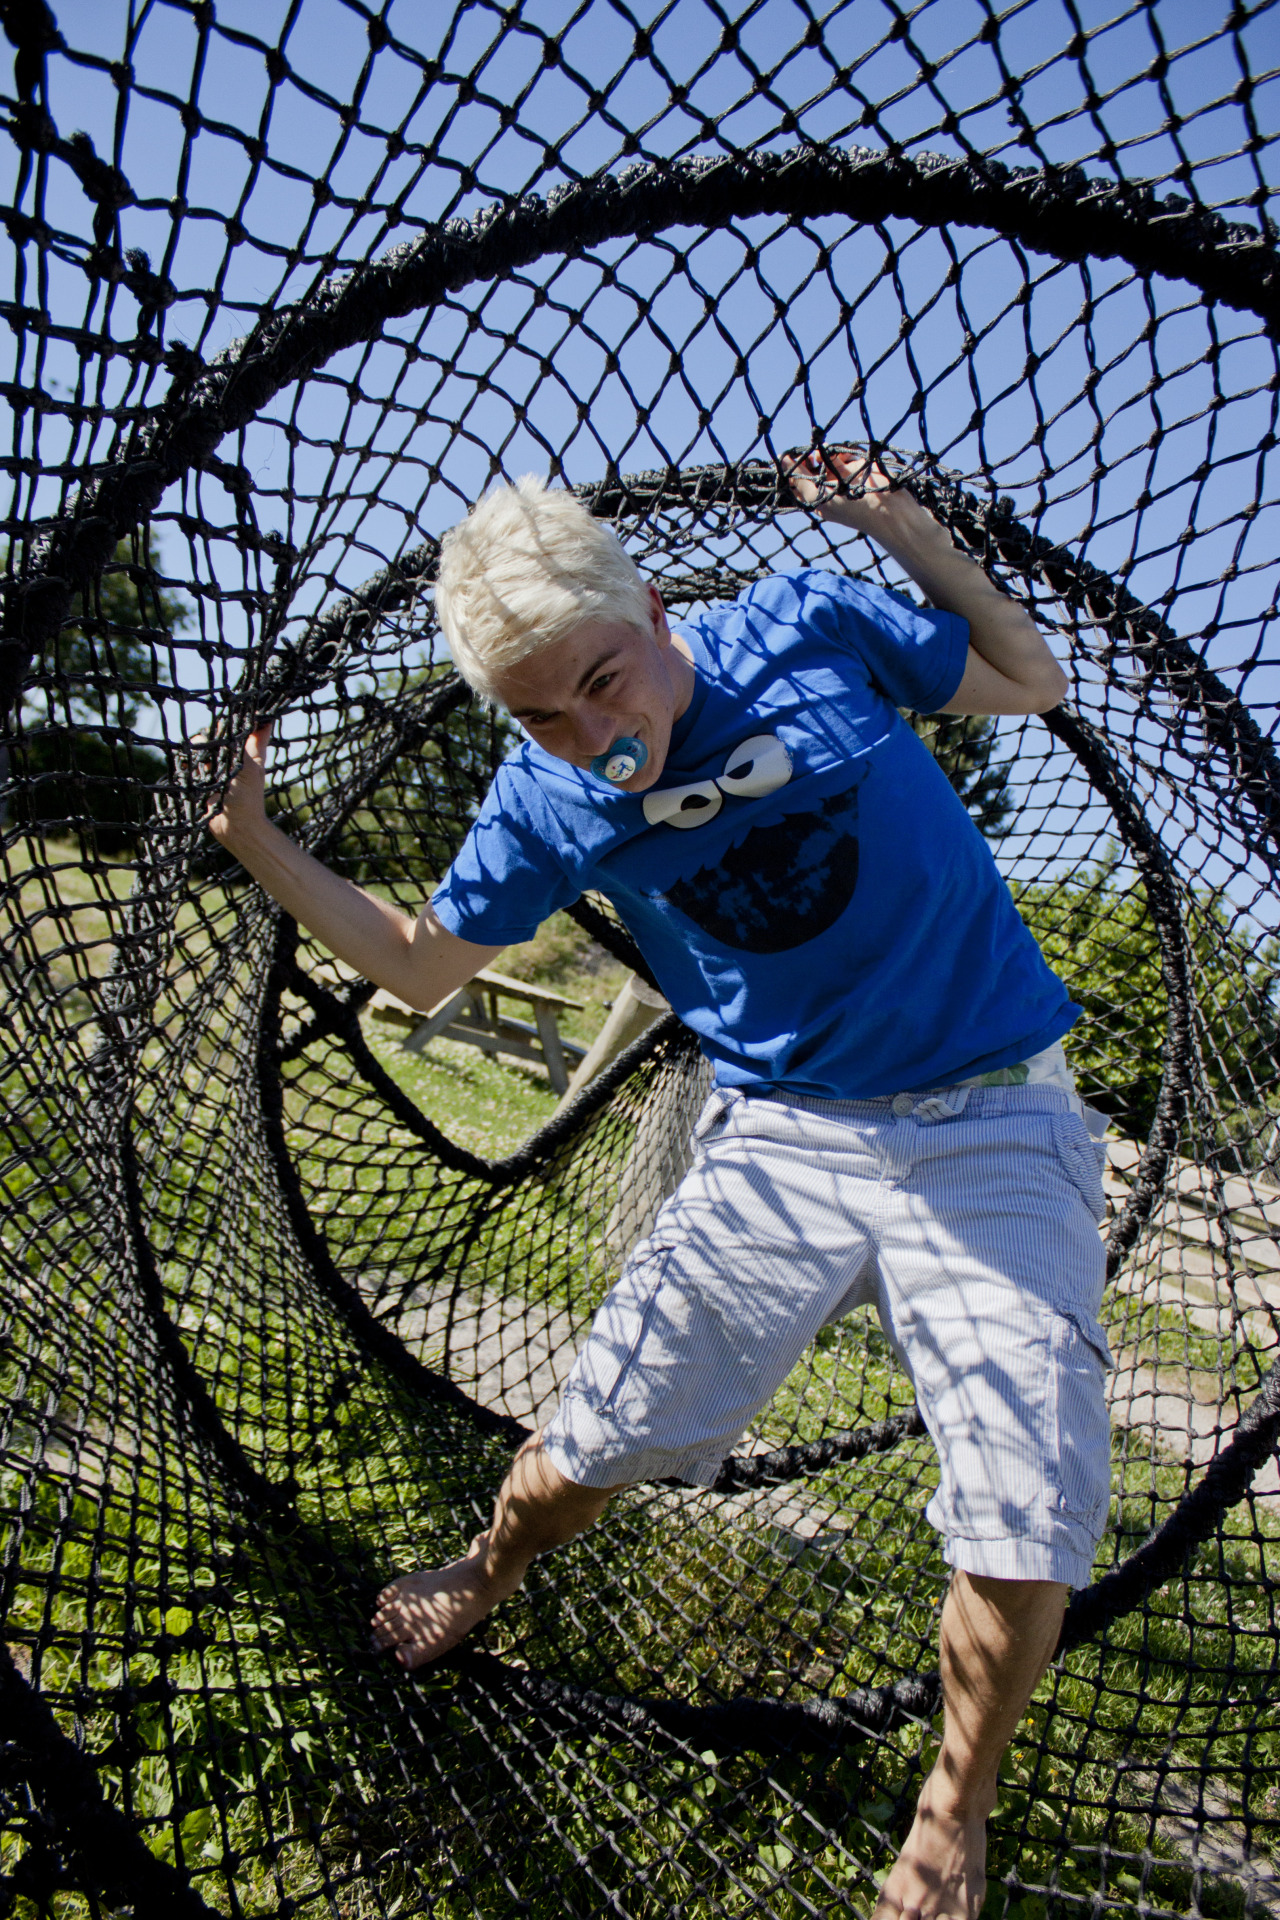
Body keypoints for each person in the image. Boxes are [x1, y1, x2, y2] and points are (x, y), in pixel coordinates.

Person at [209, 452, 1112, 1920]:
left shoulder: (811, 628)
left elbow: (1033, 681)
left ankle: (953, 1816)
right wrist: (253, 835)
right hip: (787, 1135)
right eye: (538, 714)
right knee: (587, 1451)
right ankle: (489, 1566)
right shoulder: (545, 800)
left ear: (654, 603)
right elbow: (420, 963)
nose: (589, 735)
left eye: (603, 680)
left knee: (1027, 1501)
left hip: (993, 1114)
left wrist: (907, 535)